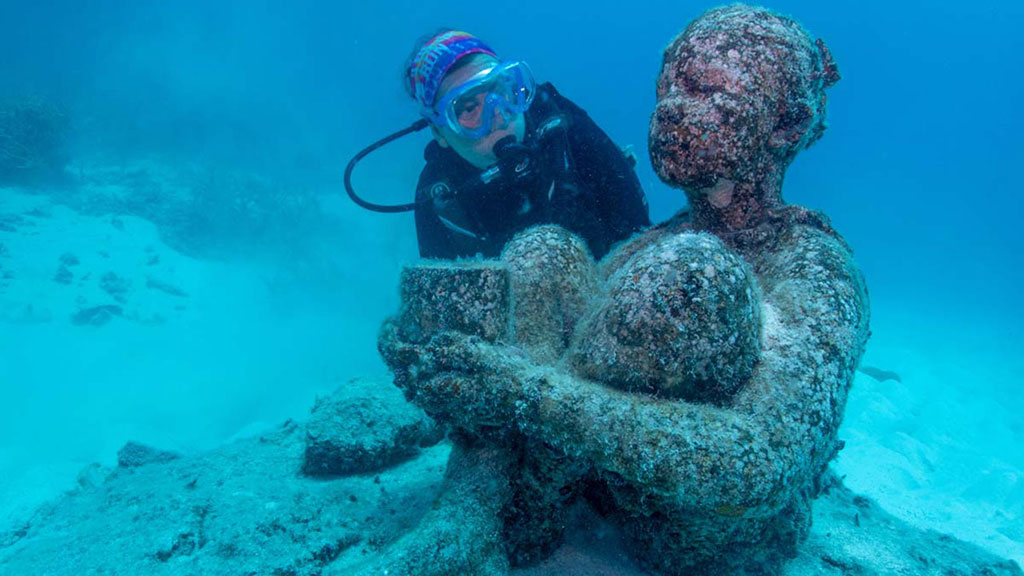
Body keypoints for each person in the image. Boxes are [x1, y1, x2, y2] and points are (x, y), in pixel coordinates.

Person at [404, 30, 650, 260]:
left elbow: (639, 235)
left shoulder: (563, 128)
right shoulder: (439, 197)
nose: (498, 115)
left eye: (500, 92)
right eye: (469, 109)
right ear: (438, 131)